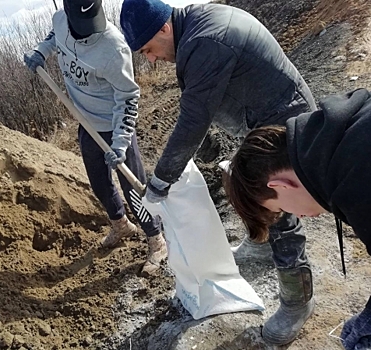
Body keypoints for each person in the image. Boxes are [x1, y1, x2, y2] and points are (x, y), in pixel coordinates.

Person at [120, 0, 317, 345]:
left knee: (276, 204)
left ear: (164, 28)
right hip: (261, 119)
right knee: (239, 179)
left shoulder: (205, 41)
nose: (150, 59)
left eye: (149, 49)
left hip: (285, 121)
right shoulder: (196, 28)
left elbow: (194, 120)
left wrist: (161, 182)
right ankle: (261, 243)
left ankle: (297, 301)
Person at [23, 0, 167, 275]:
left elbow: (128, 96)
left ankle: (156, 238)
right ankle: (121, 225)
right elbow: (56, 36)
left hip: (114, 123)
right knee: (99, 183)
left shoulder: (114, 48)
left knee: (133, 189)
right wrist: (41, 51)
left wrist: (122, 142)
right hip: (85, 122)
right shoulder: (61, 19)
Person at [223, 88, 371, 350]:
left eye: (279, 209)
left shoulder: (356, 186)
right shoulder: (340, 131)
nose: (299, 216)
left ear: (281, 185)